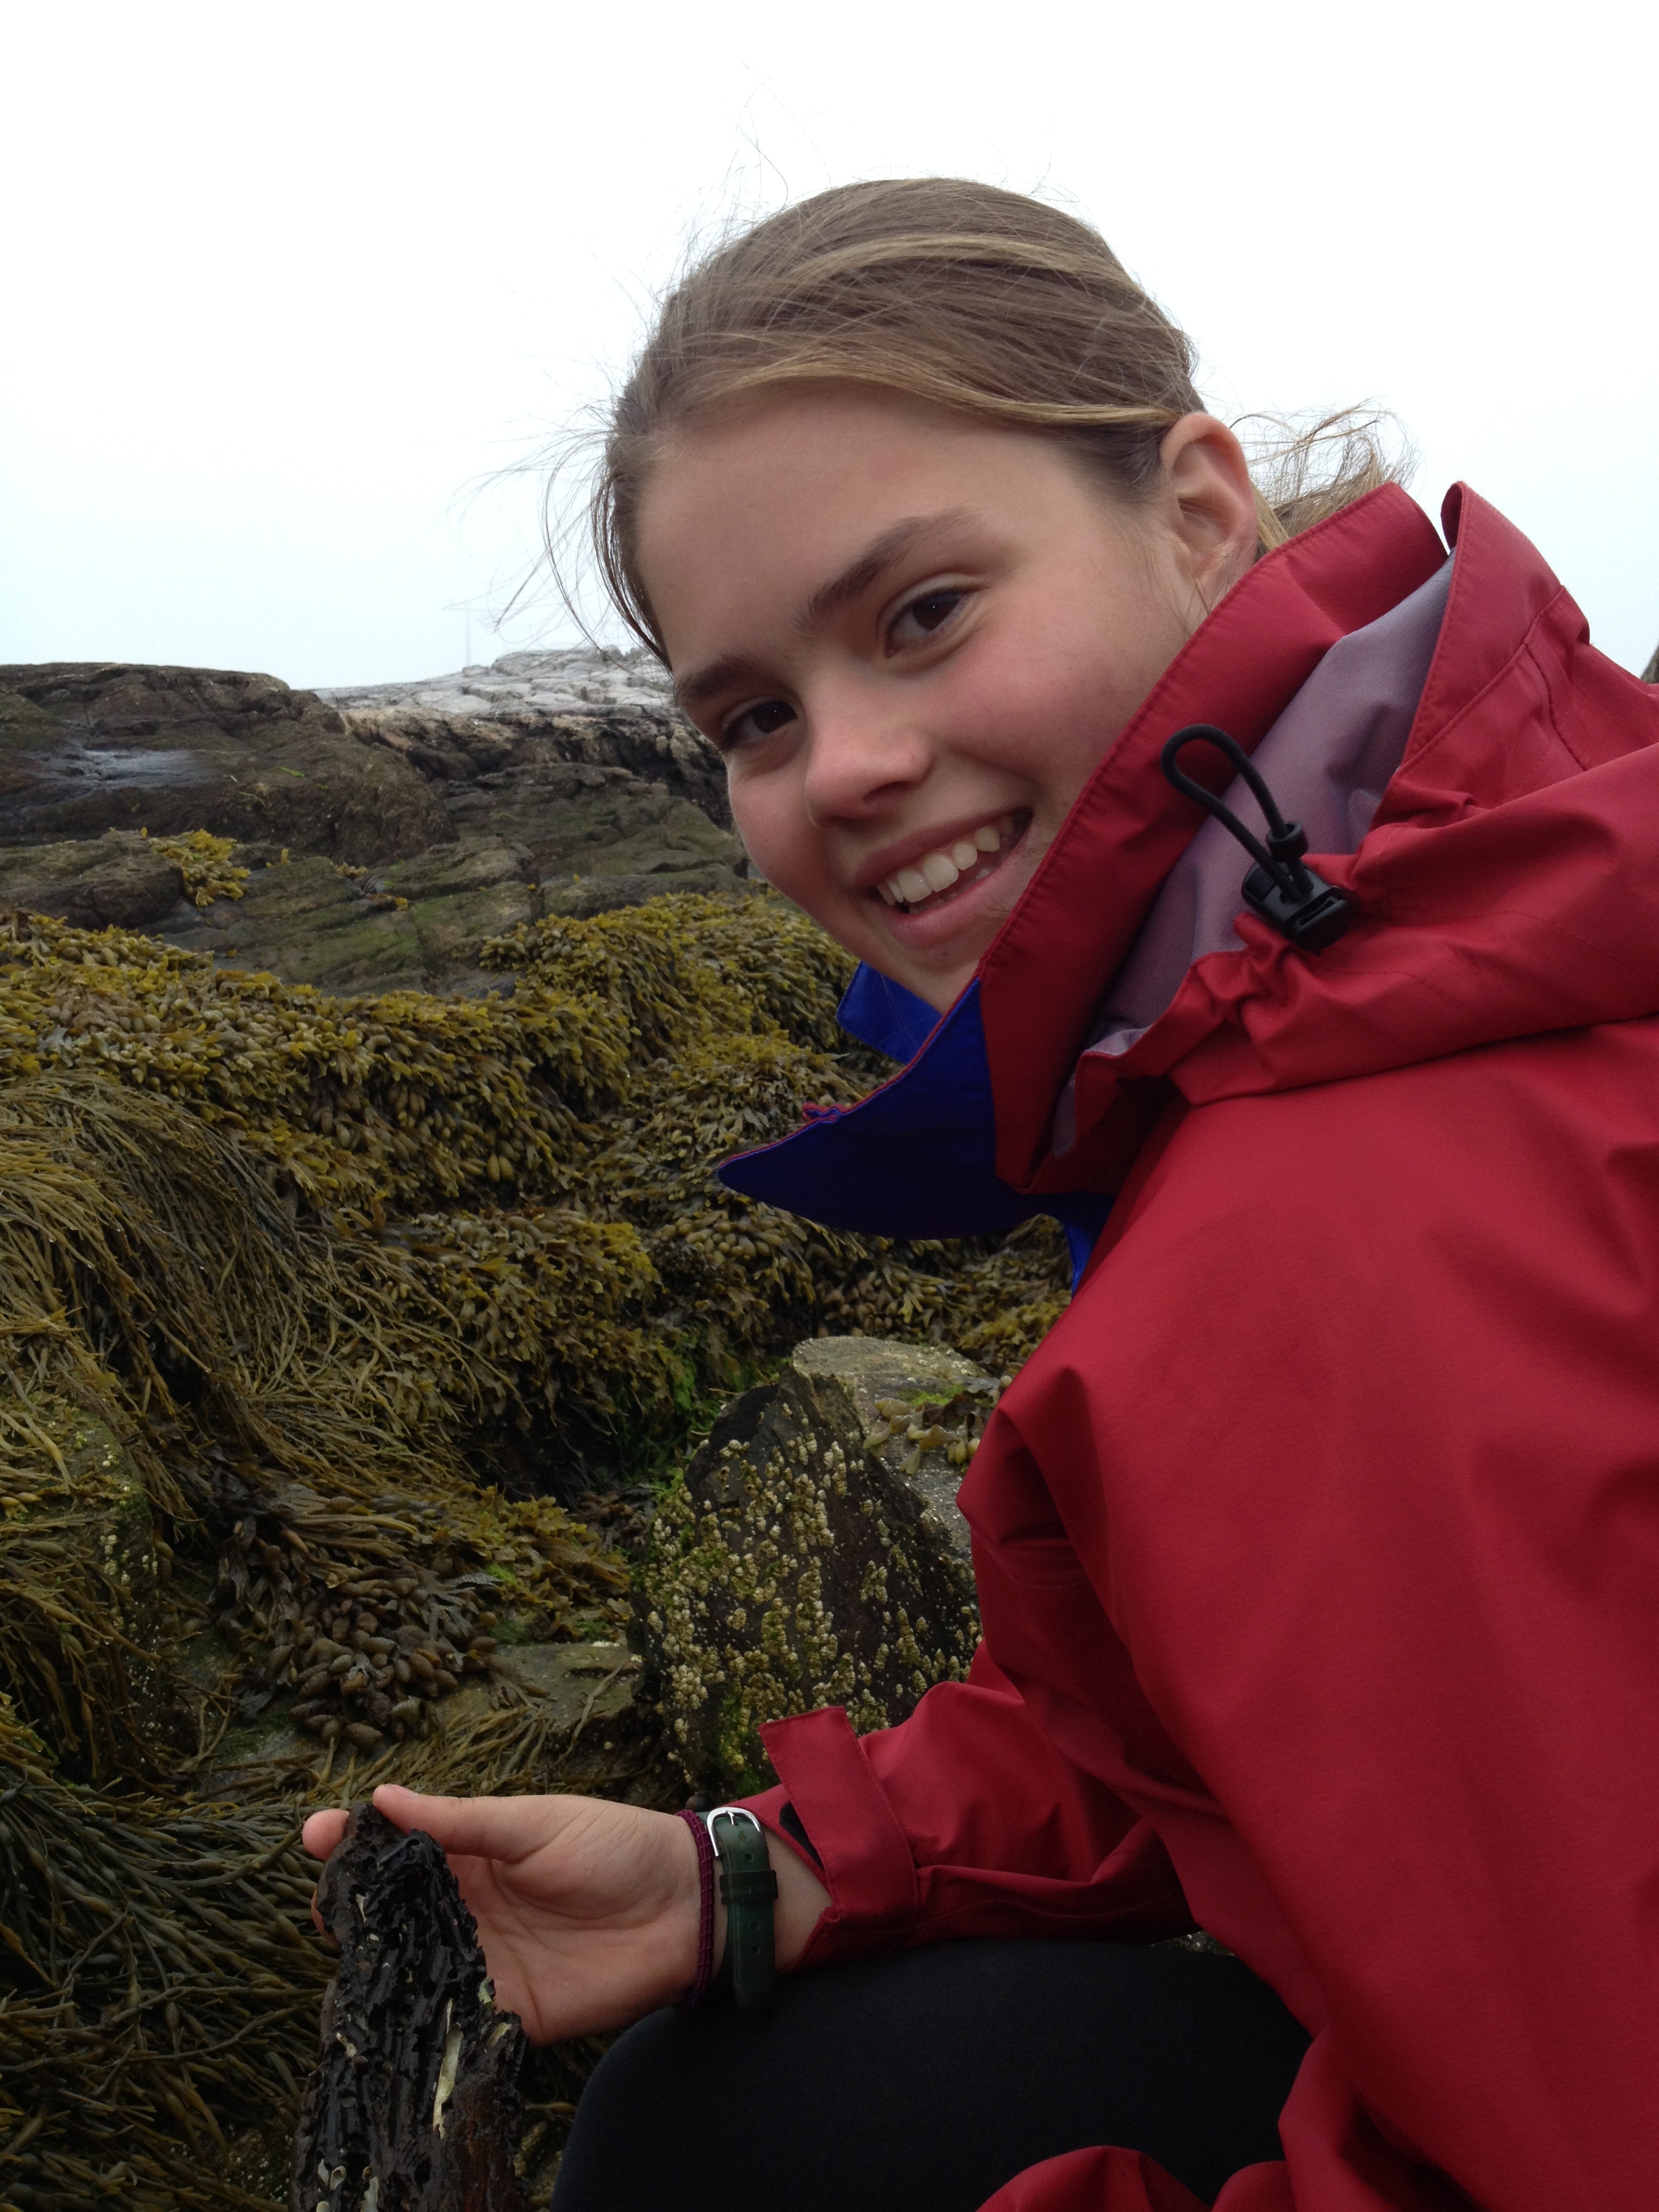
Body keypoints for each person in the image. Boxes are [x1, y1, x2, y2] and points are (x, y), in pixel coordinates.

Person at [302, 180, 1659, 2209]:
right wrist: (744, 1877)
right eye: (753, 716)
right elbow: (1278, 1711)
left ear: (1201, 510)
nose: (842, 764)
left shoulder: (1322, 1226)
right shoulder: (1454, 883)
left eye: (922, 613)